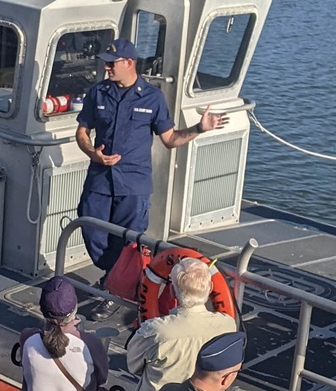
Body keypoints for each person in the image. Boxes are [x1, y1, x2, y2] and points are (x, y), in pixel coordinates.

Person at [76, 39, 227, 276]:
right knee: (90, 228)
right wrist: (91, 154)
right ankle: (114, 277)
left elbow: (170, 139)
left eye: (111, 64)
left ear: (128, 63)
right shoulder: (98, 93)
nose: (107, 68)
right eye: (106, 64)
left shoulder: (152, 98)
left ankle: (116, 285)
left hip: (133, 184)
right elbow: (82, 130)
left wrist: (199, 128)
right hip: (100, 181)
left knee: (129, 243)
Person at [126, 255, 236, 391]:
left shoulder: (155, 331)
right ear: (211, 288)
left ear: (172, 291)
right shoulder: (228, 326)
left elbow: (133, 365)